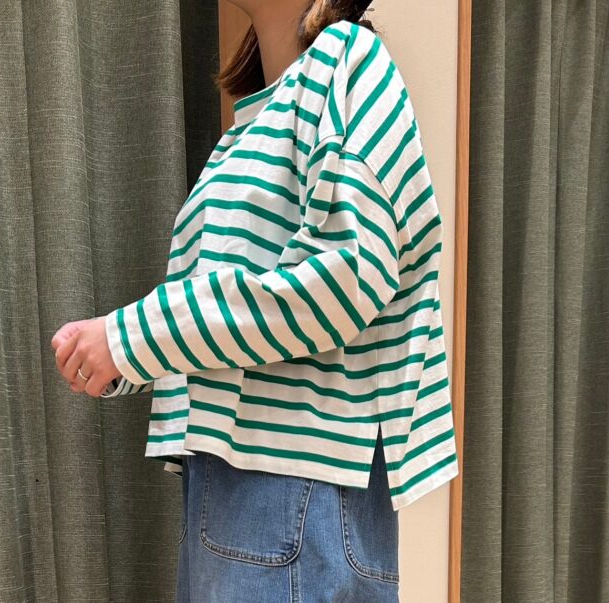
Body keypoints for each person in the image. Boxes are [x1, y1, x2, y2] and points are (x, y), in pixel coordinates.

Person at [52, 0, 460, 600]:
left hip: (290, 488)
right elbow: (235, 318)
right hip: (245, 484)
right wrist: (123, 356)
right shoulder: (257, 119)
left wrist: (130, 339)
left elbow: (346, 280)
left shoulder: (349, 60)